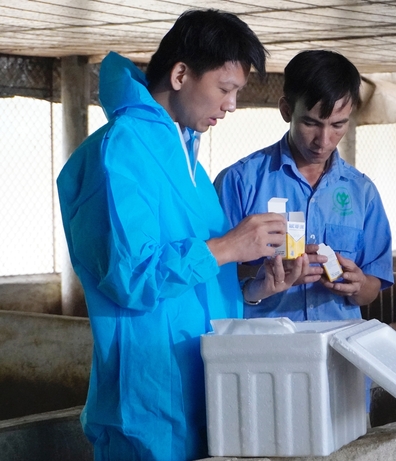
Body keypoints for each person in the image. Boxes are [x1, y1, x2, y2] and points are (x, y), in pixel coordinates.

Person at [57, 9, 304, 461]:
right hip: (148, 402)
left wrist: (252, 291)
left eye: (237, 93)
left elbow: (192, 281)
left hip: (199, 393)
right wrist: (230, 245)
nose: (231, 105)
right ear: (180, 74)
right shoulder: (123, 149)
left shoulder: (186, 157)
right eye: (225, 89)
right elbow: (130, 278)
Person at [213, 49, 394, 323]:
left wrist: (359, 285)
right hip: (266, 350)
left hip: (337, 350)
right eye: (311, 123)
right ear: (286, 110)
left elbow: (372, 289)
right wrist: (262, 278)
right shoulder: (240, 182)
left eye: (338, 125)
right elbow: (214, 274)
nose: (324, 139)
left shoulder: (362, 192)